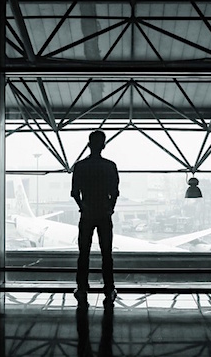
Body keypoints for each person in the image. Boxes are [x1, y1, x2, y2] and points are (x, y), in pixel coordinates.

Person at [71, 130, 120, 304]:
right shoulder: (109, 166)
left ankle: (82, 286)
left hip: (87, 213)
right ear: (104, 145)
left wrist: (82, 207)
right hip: (103, 213)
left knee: (84, 252)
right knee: (107, 253)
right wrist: (110, 209)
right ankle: (109, 287)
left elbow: (75, 193)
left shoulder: (80, 166)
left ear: (89, 144)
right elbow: (114, 192)